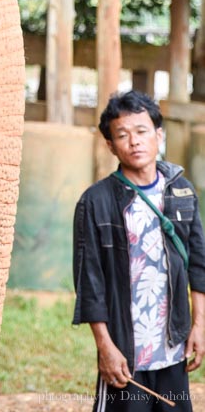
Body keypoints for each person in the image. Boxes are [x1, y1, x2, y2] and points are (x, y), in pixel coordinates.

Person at [73, 90, 205, 411]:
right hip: (126, 353)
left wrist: (199, 325)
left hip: (173, 348)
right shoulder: (96, 202)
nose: (134, 141)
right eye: (122, 135)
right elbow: (90, 283)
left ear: (159, 135)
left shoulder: (182, 193)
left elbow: (198, 265)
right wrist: (105, 347)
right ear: (110, 145)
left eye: (142, 131)